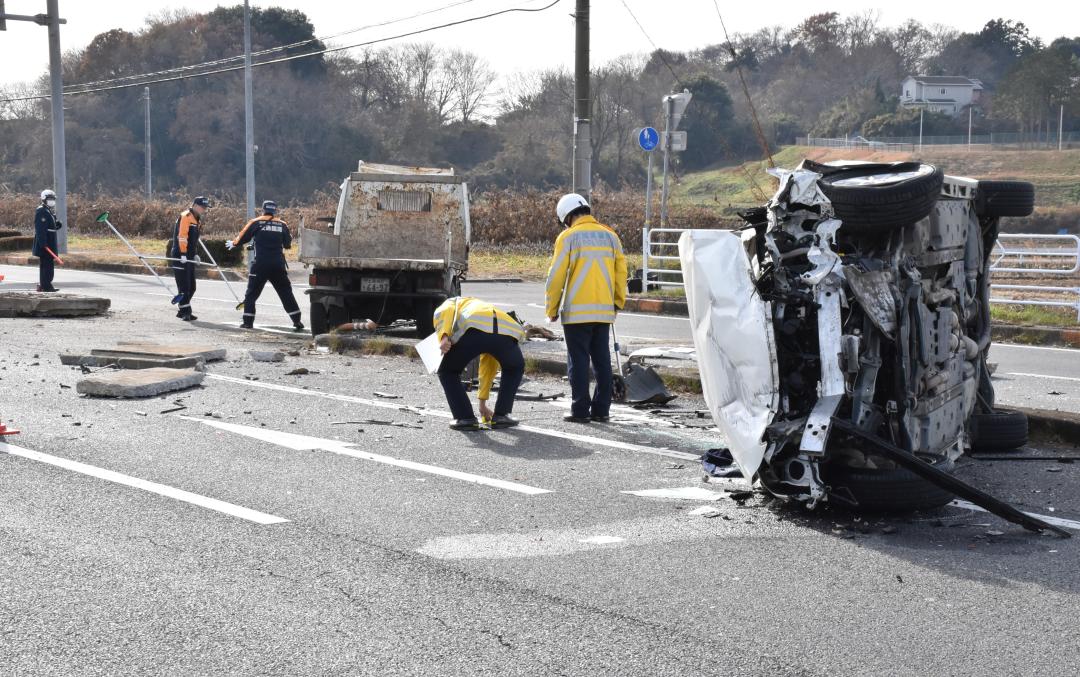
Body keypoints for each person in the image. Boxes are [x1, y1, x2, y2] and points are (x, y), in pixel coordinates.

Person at [544, 193, 627, 424]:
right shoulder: (611, 236)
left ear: (567, 216)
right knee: (602, 360)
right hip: (603, 312)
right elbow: (622, 273)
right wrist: (618, 302)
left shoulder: (568, 237)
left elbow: (556, 276)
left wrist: (551, 307)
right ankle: (602, 410)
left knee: (578, 360)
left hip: (577, 313)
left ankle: (580, 410)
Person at [434, 296, 526, 431]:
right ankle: (501, 416)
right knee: (514, 368)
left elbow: (444, 311)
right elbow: (488, 367)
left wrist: (443, 336)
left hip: (472, 330)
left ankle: (465, 418)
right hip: (506, 333)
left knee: (448, 371)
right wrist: (482, 405)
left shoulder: (453, 301)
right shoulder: (484, 306)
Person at [226, 200, 304, 331]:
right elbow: (288, 244)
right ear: (275, 210)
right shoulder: (282, 224)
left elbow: (243, 236)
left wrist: (234, 243)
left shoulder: (256, 222)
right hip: (278, 264)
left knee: (252, 294)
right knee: (285, 292)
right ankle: (297, 320)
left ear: (262, 209)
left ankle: (248, 322)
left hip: (260, 264)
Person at [170, 196, 209, 321]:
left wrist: (195, 253)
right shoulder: (186, 216)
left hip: (190, 256)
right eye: (203, 207)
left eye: (206, 207)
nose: (204, 210)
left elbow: (193, 240)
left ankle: (183, 309)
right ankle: (186, 312)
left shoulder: (197, 219)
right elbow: (182, 236)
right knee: (184, 287)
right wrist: (182, 253)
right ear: (196, 205)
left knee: (192, 287)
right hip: (180, 255)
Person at [32, 189, 62, 292]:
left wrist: (56, 224)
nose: (52, 201)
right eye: (49, 199)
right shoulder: (41, 210)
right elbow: (40, 229)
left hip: (50, 241)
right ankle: (46, 285)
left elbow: (49, 226)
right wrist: (43, 244)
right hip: (46, 243)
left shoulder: (48, 210)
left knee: (47, 264)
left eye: (53, 199)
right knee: (47, 265)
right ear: (44, 199)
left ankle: (43, 285)